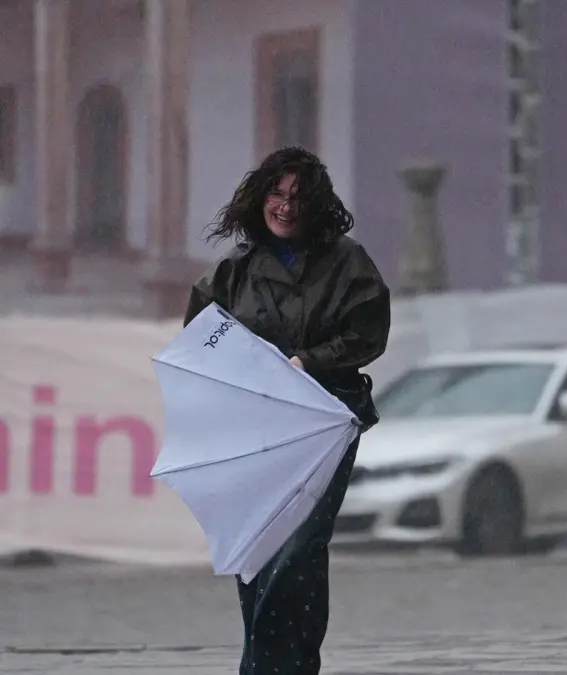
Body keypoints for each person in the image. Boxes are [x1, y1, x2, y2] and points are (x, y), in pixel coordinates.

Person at [183, 147, 391, 675]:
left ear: (316, 203)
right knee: (258, 550)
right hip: (254, 427)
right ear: (260, 199)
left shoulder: (348, 263)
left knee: (300, 544)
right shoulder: (233, 271)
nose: (286, 206)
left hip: (325, 423)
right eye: (277, 194)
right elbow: (198, 342)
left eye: (298, 196)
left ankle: (269, 666)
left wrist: (308, 361)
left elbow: (367, 333)